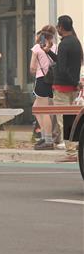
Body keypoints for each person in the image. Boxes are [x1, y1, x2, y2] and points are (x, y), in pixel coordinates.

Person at [46, 15, 83, 161]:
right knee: (73, 119)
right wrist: (76, 82)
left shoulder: (64, 44)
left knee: (64, 120)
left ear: (61, 27)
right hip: (73, 87)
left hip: (62, 87)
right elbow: (68, 63)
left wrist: (73, 81)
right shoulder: (76, 42)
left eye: (57, 25)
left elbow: (61, 67)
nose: (57, 28)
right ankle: (77, 148)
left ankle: (71, 153)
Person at [30, 25, 57, 150]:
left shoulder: (37, 47)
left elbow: (32, 68)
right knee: (36, 108)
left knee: (44, 111)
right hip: (52, 81)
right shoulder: (55, 46)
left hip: (41, 80)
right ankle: (44, 135)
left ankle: (48, 139)